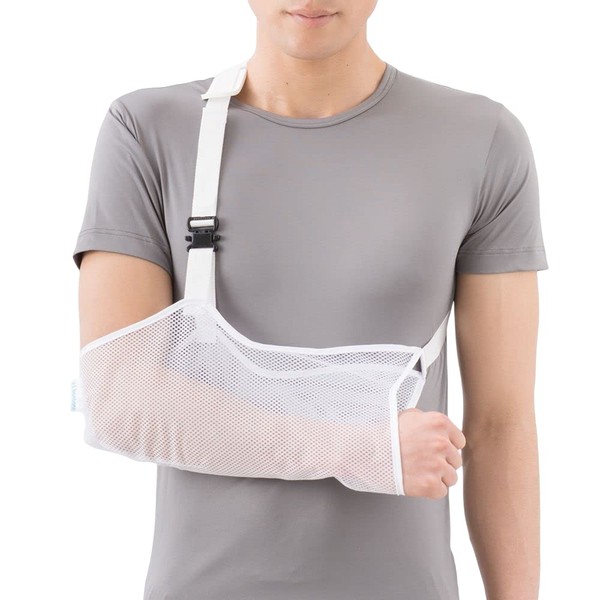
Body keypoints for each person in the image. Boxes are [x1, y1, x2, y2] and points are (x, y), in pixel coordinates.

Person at [72, 1, 547, 599]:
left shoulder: (480, 140)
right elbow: (120, 401)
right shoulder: (148, 130)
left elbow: (500, 423)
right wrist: (364, 448)